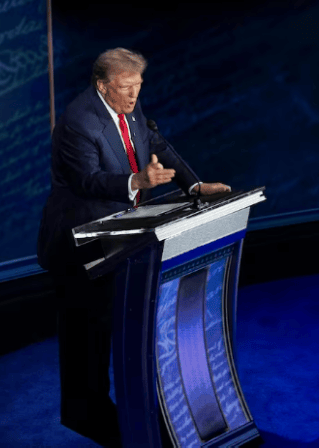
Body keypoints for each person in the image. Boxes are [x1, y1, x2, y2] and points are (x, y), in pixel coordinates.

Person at [37, 48, 230, 446]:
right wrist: (137, 183)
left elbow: (156, 139)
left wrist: (192, 185)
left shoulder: (130, 106)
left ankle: (112, 406)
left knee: (111, 322)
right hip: (79, 243)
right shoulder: (77, 123)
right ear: (102, 85)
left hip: (123, 235)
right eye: (125, 89)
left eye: (138, 88)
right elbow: (88, 181)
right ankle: (85, 412)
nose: (133, 97)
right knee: (86, 333)